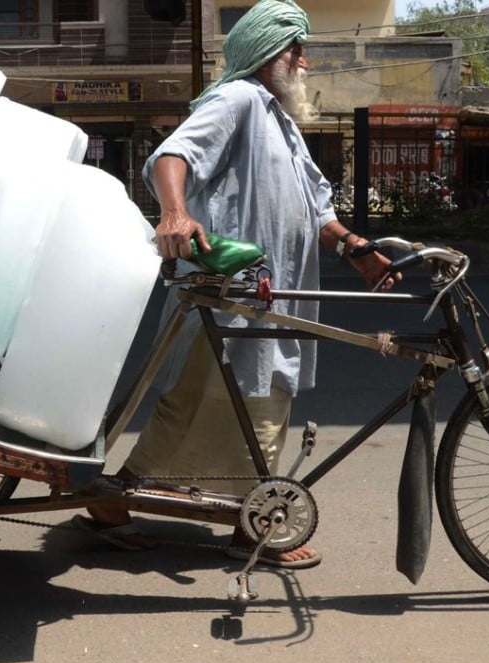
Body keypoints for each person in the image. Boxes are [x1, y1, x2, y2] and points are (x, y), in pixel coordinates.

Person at [74, 0, 399, 568]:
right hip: (238, 293)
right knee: (264, 403)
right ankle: (256, 528)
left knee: (191, 403)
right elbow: (172, 155)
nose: (303, 60)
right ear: (270, 52)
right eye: (295, 49)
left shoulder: (280, 121)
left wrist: (356, 249)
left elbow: (316, 207)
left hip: (258, 295)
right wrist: (173, 213)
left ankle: (115, 498)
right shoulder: (239, 99)